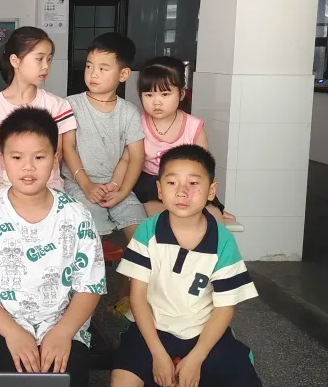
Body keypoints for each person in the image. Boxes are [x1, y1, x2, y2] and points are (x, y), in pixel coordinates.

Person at [0, 107, 105, 387]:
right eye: (17, 157)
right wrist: (13, 333)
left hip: (63, 324)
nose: (28, 167)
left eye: (39, 157)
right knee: (15, 378)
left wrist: (63, 332)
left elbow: (90, 285)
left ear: (55, 158)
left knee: (66, 379)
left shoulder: (76, 215)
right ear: (3, 161)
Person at [111, 145, 261, 387]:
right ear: (160, 190)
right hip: (151, 330)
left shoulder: (223, 240)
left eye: (193, 183)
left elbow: (224, 308)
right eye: (172, 183)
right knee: (122, 381)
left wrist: (196, 358)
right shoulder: (147, 232)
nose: (182, 192)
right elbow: (137, 297)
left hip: (204, 333)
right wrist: (158, 354)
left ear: (211, 191)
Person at [60, 32, 146, 241]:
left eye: (102, 68)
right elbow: (68, 148)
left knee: (141, 233)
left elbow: (136, 157)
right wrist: (87, 185)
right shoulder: (71, 104)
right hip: (78, 185)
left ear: (123, 74)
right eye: (89, 66)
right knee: (93, 231)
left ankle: (134, 265)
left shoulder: (129, 112)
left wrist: (122, 191)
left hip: (118, 186)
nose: (93, 74)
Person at [134, 56, 234, 223]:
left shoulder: (193, 127)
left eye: (165, 94)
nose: (156, 102)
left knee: (214, 219)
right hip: (151, 186)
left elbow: (203, 167)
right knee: (164, 219)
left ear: (181, 94)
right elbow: (129, 161)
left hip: (188, 183)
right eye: (149, 94)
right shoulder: (137, 124)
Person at [0, 26, 76, 193]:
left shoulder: (57, 106)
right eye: (39, 59)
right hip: (3, 191)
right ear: (15, 61)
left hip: (47, 189)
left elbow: (57, 156)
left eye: (49, 59)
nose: (46, 66)